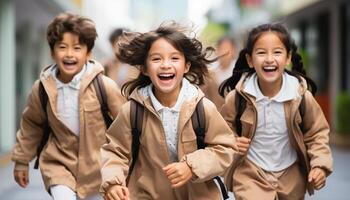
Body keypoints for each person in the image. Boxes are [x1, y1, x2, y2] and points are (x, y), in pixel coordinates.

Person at [99, 22, 238, 200]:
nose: (165, 65)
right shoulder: (132, 111)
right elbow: (115, 151)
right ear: (144, 68)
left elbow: (225, 148)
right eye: (156, 59)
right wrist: (114, 183)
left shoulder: (202, 108)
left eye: (174, 58)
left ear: (186, 66)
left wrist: (191, 166)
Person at [11, 12, 125, 200]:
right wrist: (22, 161)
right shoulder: (42, 88)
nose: (69, 54)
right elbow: (31, 125)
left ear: (88, 53)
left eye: (77, 48)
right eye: (62, 47)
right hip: (59, 164)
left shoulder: (104, 86)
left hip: (99, 169)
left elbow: (125, 127)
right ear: (52, 51)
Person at [219, 23, 333, 200]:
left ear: (288, 58)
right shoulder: (238, 98)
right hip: (251, 173)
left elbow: (317, 134)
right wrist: (232, 141)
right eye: (261, 52)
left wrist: (320, 165)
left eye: (277, 52)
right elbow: (220, 131)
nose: (269, 59)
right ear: (250, 60)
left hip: (291, 176)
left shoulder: (301, 97)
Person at [201, 36, 237, 110]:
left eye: (228, 49)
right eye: (222, 49)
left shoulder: (239, 71)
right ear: (217, 50)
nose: (225, 52)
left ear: (233, 51)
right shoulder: (211, 71)